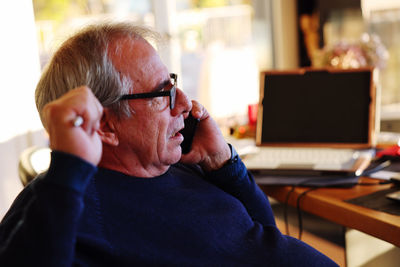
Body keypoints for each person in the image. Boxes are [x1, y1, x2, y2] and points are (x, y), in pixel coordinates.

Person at [0, 22, 338, 266]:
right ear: (105, 124)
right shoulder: (64, 204)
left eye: (172, 84)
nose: (185, 104)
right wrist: (68, 171)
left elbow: (264, 233)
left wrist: (222, 161)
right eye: (162, 93)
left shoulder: (182, 164)